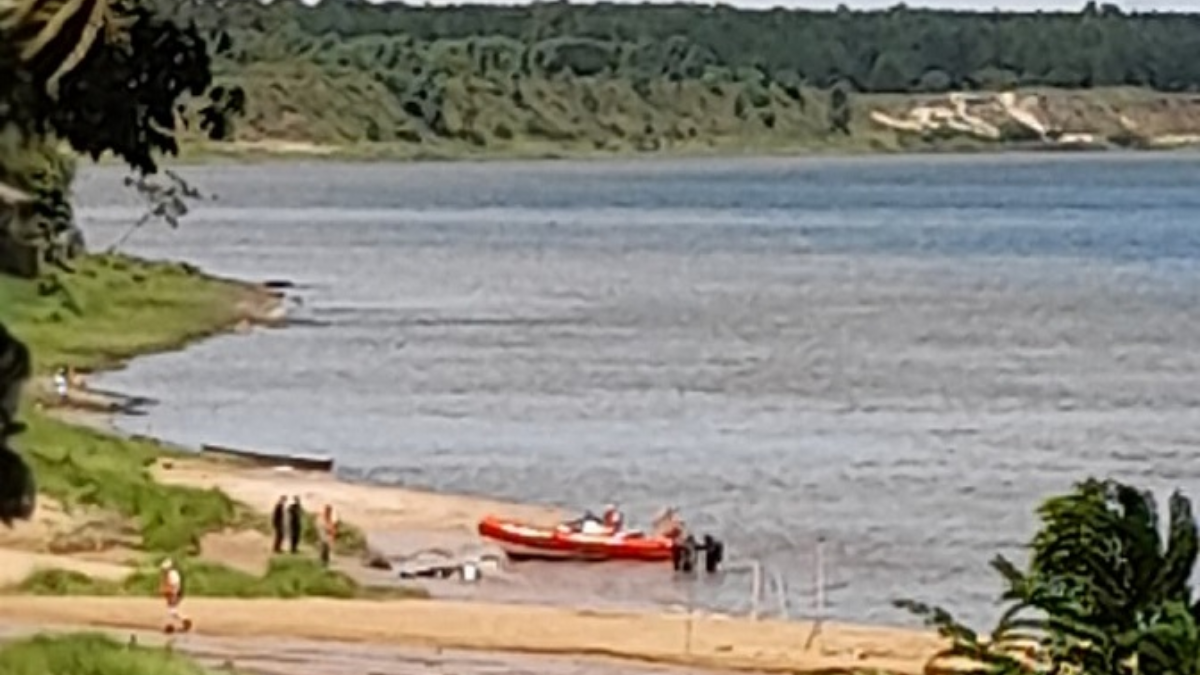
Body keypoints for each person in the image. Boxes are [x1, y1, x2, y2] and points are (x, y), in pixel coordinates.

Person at [159, 558, 192, 634]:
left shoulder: (172, 574)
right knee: (171, 610)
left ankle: (184, 621)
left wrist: (173, 595)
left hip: (175, 593)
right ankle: (177, 624)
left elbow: (175, 586)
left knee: (172, 610)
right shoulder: (169, 574)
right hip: (173, 593)